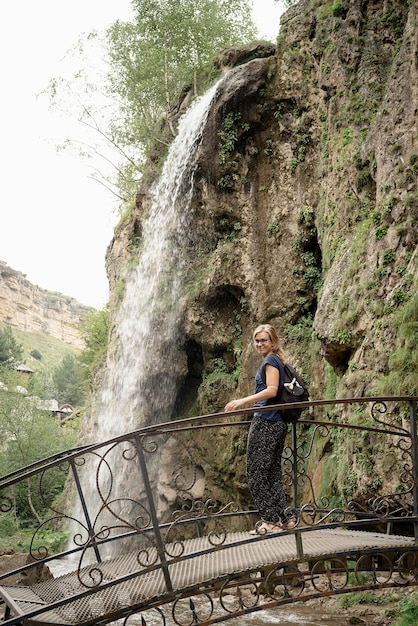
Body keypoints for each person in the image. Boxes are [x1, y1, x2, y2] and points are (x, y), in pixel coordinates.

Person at [224, 323, 296, 534]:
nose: (259, 344)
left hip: (266, 421)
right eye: (257, 340)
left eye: (264, 340)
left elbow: (272, 390)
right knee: (271, 472)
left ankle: (270, 520)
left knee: (255, 473)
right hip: (277, 422)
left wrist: (242, 401)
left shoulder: (271, 360)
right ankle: (286, 519)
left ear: (272, 342)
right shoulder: (277, 360)